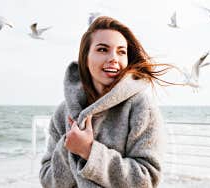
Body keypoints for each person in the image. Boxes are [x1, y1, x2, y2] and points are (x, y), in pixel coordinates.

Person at [39, 16, 173, 188]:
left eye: (121, 51)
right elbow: (48, 181)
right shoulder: (63, 112)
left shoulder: (140, 106)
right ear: (85, 57)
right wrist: (69, 148)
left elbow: (147, 180)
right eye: (103, 49)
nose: (114, 58)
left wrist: (88, 150)